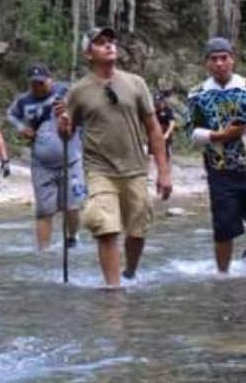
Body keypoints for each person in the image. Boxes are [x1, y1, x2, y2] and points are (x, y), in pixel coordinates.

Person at [55, 28, 173, 288]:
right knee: (105, 226)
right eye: (100, 43)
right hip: (99, 170)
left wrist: (163, 171)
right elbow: (67, 135)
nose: (109, 46)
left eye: (111, 42)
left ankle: (130, 272)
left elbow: (154, 128)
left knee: (137, 230)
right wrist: (62, 124)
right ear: (88, 54)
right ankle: (114, 288)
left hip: (134, 167)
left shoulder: (136, 83)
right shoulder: (78, 91)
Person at [185, 37, 246, 274]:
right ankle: (223, 275)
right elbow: (191, 132)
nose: (219, 64)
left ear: (232, 60)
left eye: (223, 58)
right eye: (214, 59)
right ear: (206, 63)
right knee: (224, 227)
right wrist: (220, 136)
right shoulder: (197, 95)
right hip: (220, 170)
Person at [8, 63, 87, 252]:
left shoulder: (64, 91)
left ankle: (72, 237)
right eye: (34, 83)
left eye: (41, 83)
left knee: (72, 206)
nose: (38, 87)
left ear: (50, 80)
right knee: (44, 210)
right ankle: (43, 251)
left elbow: (83, 100)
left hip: (72, 160)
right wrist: (22, 128)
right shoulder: (23, 101)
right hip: (41, 164)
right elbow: (11, 115)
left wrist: (70, 108)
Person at [154, 92, 177, 160]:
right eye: (156, 102)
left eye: (159, 102)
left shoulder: (168, 110)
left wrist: (167, 134)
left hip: (166, 132)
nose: (158, 104)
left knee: (166, 151)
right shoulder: (154, 110)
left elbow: (172, 123)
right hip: (157, 133)